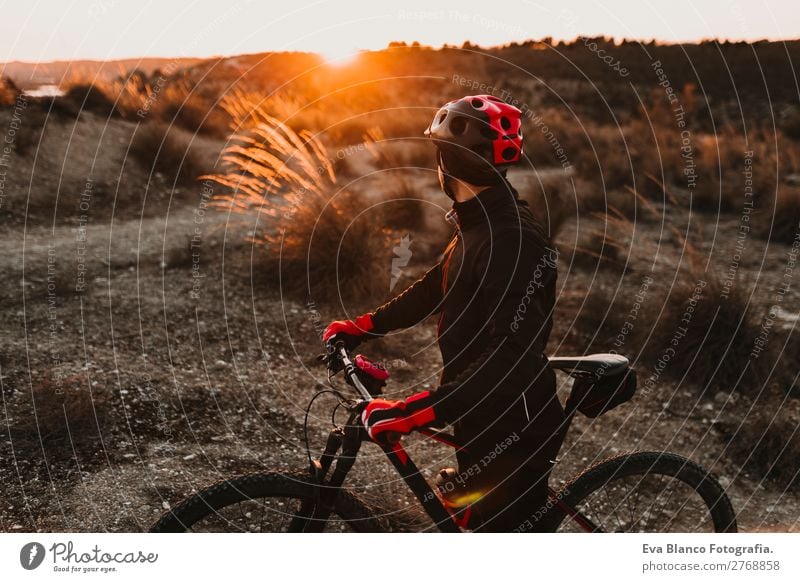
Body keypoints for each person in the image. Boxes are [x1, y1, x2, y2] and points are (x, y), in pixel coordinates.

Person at [322, 95, 566, 532]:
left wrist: (418, 410)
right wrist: (366, 325)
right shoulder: (480, 221)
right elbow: (441, 283)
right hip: (480, 410)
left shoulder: (513, 240)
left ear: (447, 161)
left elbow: (513, 353)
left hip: (514, 421)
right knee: (466, 520)